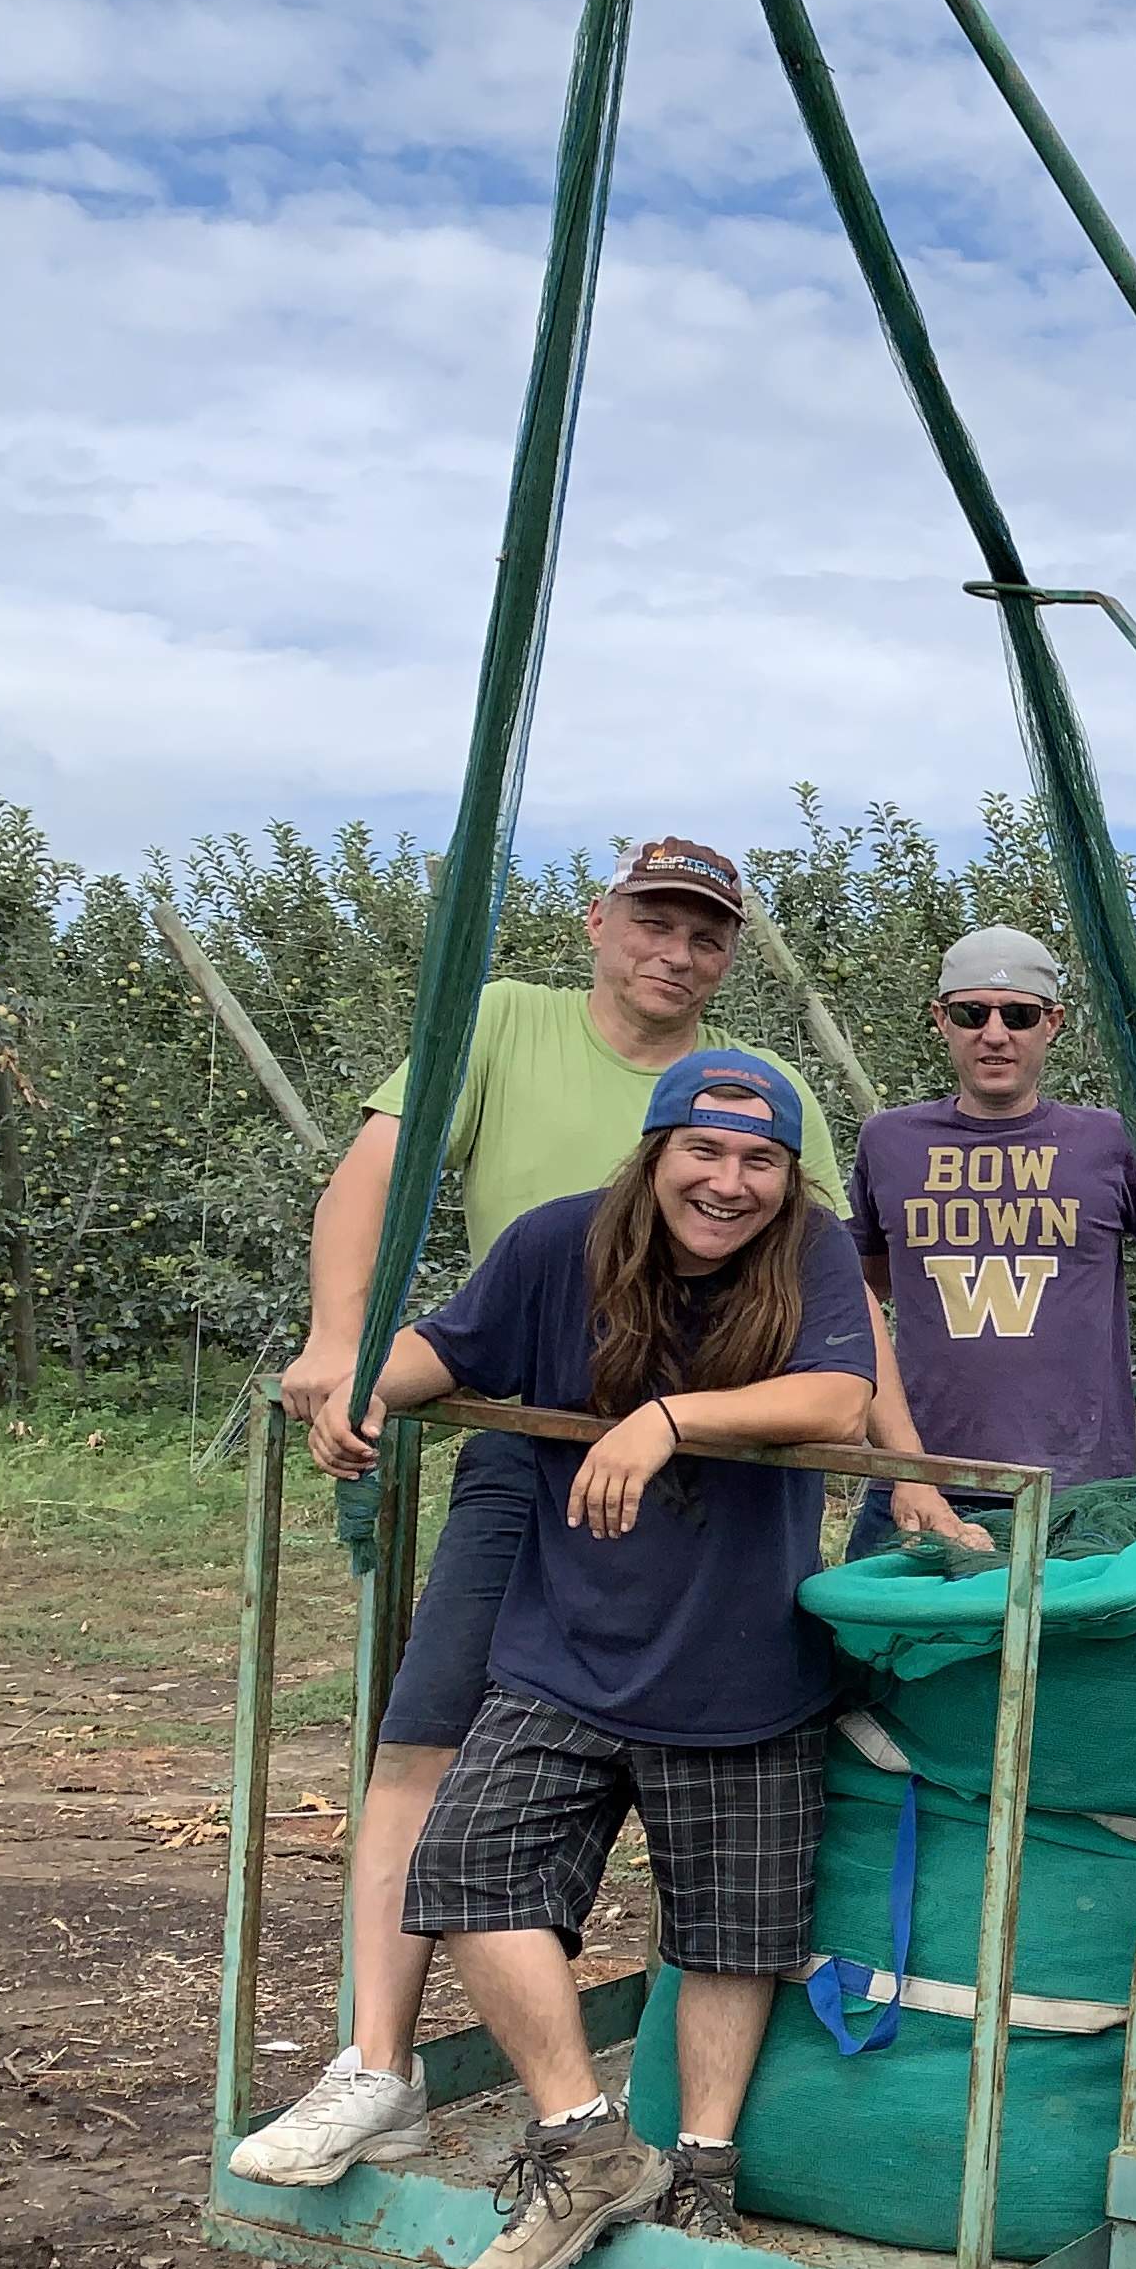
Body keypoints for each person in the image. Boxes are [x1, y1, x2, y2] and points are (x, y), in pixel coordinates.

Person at [229, 838, 848, 2189]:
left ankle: (689, 2139)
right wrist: (345, 1357)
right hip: (531, 1436)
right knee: (433, 1736)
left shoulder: (759, 1091)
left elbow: (840, 1310)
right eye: (654, 922)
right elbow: (375, 1184)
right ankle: (378, 2065)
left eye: (706, 935)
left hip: (716, 1475)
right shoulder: (507, 1023)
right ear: (600, 922)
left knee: (723, 1764)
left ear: (730, 955)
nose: (676, 952)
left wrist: (904, 1474)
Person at [320, 1048, 876, 2269]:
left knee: (731, 1933)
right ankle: (585, 2145)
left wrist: (669, 1417)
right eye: (707, 1153)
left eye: (760, 1162)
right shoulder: (558, 1245)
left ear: (788, 1178)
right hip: (564, 1650)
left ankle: (704, 2179)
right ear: (657, 1151)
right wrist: (352, 1393)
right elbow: (447, 1350)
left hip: (745, 1657)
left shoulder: (813, 1251)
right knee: (465, 1867)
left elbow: (843, 1397)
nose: (729, 1184)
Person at [846, 925, 1136, 1560]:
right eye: (971, 1012)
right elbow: (865, 1291)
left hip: (1080, 1483)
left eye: (1018, 1014)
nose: (994, 1033)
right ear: (940, 1020)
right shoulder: (887, 1142)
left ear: (1053, 1023)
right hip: (922, 1475)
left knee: (1063, 1654)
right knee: (878, 1648)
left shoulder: (1106, 1141)